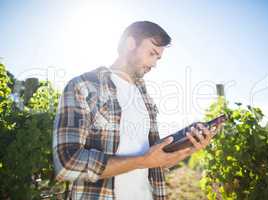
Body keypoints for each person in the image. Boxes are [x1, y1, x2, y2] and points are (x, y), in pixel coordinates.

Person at [53, 21, 219, 200]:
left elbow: (154, 161)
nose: (154, 64)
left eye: (158, 58)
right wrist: (142, 161)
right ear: (130, 44)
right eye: (152, 53)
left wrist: (186, 148)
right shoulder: (83, 86)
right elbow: (67, 164)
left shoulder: (145, 99)